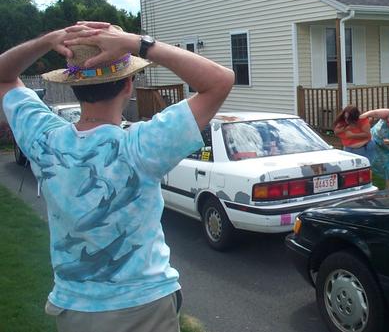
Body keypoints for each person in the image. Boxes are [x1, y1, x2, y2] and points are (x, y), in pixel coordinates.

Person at [0, 22, 235, 332]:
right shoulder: (142, 145)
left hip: (73, 309)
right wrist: (138, 43)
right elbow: (220, 80)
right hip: (144, 307)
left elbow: (4, 75)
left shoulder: (44, 141)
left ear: (73, 85)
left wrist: (48, 40)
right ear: (128, 85)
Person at [360, 108, 389, 189]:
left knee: (387, 167)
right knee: (367, 160)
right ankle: (364, 182)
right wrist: (362, 117)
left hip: (388, 150)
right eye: (387, 122)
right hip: (374, 139)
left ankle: (388, 188)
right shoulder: (388, 113)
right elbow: (374, 113)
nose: (388, 124)